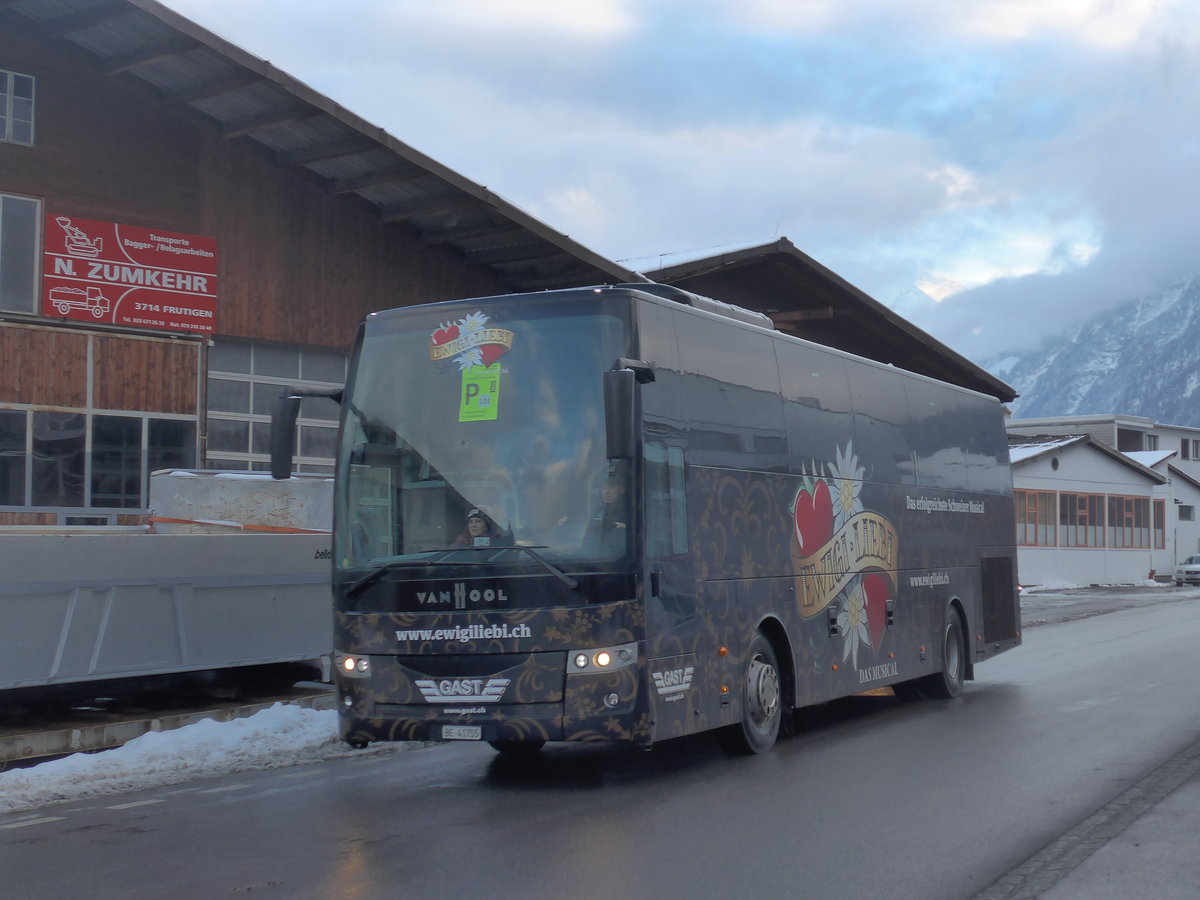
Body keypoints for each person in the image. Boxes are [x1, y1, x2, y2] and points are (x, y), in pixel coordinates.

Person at [584, 477, 629, 554]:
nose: (606, 492)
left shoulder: (631, 511)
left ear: (621, 490)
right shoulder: (595, 511)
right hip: (597, 555)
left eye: (612, 487)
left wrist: (626, 528)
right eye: (604, 488)